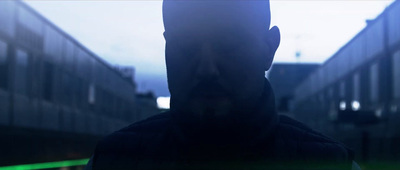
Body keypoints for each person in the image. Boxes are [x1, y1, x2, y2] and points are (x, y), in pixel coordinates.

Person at [86, 1, 360, 169]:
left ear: (269, 49)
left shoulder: (112, 160)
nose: (207, 68)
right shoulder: (330, 163)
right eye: (186, 45)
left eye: (229, 44)